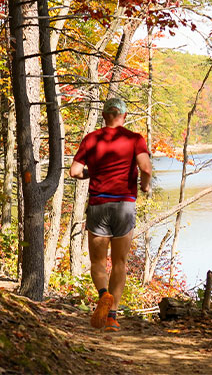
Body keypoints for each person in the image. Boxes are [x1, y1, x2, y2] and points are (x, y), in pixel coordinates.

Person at [69, 97, 152, 333]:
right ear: (124, 116)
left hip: (99, 205)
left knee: (97, 261)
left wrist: (91, 173)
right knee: (119, 262)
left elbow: (74, 171)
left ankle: (103, 294)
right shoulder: (135, 139)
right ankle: (112, 317)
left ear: (104, 115)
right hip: (124, 206)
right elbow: (145, 168)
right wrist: (145, 185)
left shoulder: (91, 139)